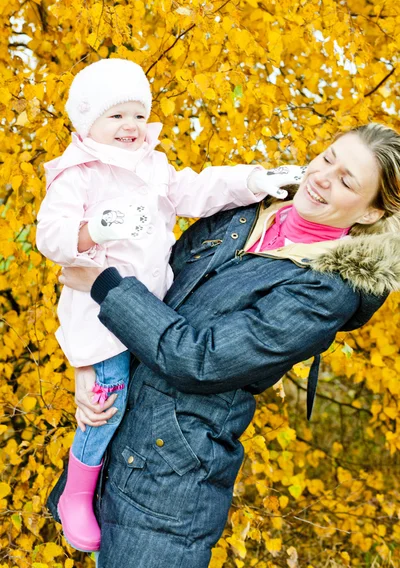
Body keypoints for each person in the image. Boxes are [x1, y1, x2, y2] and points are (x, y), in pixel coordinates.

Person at [48, 122, 400, 568]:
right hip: (110, 440)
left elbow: (201, 359)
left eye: (348, 180)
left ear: (369, 214)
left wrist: (107, 289)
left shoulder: (326, 290)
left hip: (170, 481)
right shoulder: (247, 211)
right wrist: (90, 363)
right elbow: (151, 276)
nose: (323, 177)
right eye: (328, 157)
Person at [36, 58, 306, 552]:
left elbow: (195, 190)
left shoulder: (153, 166)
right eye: (117, 116)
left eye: (139, 115)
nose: (131, 126)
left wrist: (251, 181)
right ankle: (76, 492)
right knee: (107, 401)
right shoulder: (79, 174)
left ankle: (101, 485)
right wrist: (95, 229)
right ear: (86, 121)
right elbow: (50, 237)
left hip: (150, 307)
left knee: (130, 394)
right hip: (99, 313)